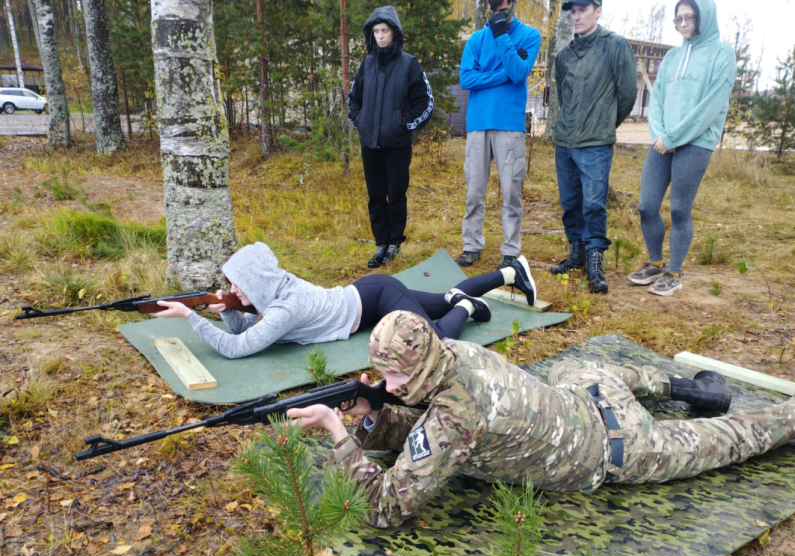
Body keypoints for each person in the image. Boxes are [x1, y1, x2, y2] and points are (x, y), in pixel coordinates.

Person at [287, 310, 795, 528]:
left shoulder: (456, 417)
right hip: (586, 393)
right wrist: (372, 418)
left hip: (617, 450)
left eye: (396, 376)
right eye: (382, 375)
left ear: (421, 366)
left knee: (726, 441)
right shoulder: (454, 350)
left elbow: (384, 508)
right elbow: (426, 429)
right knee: (580, 367)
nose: (388, 384)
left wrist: (339, 433)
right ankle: (688, 387)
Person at [152, 243, 536, 359]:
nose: (234, 291)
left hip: (377, 296)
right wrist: (225, 311)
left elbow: (236, 349)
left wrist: (189, 316)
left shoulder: (285, 308)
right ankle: (510, 273)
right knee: (443, 298)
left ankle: (466, 307)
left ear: (257, 282)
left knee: (433, 341)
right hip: (368, 301)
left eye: (239, 286)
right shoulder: (277, 291)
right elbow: (244, 330)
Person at [628, 0, 736, 297]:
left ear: (704, 17)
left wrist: (675, 137)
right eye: (679, 19)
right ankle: (655, 263)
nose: (684, 23)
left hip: (696, 142)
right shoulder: (673, 56)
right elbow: (657, 98)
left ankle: (674, 273)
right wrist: (660, 135)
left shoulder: (722, 54)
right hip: (663, 142)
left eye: (690, 17)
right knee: (646, 205)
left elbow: (711, 106)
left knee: (678, 209)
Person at [549, 0, 637, 294]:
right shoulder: (563, 56)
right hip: (565, 141)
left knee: (594, 204)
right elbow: (563, 96)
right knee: (570, 201)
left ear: (598, 11)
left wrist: (604, 124)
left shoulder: (615, 45)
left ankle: (595, 262)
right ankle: (577, 254)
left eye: (583, 10)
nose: (576, 16)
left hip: (595, 143)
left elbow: (627, 94)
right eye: (573, 11)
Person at [455, 0, 542, 269]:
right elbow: (466, 79)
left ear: (513, 4)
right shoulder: (476, 39)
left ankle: (510, 250)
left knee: (512, 190)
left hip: (509, 123)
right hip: (478, 123)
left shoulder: (529, 35)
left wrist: (502, 35)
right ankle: (471, 245)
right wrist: (503, 75)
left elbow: (518, 72)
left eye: (503, 9)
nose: (498, 14)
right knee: (474, 190)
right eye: (494, 10)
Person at [347, 6, 434, 269]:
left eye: (384, 30)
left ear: (394, 32)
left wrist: (403, 124)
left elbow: (425, 102)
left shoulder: (409, 64)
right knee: (375, 195)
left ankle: (394, 242)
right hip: (370, 144)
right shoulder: (367, 64)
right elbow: (353, 99)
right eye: (376, 31)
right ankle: (381, 243)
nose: (380, 36)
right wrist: (361, 123)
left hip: (397, 144)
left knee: (396, 194)